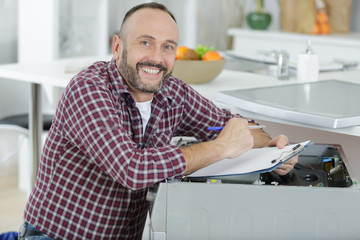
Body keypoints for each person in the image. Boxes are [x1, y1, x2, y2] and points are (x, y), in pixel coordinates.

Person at [19, 2, 298, 240]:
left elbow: (232, 124)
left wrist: (272, 145)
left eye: (167, 47)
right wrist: (221, 147)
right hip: (54, 235)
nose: (156, 57)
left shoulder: (172, 91)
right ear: (117, 47)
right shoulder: (88, 88)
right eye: (145, 42)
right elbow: (131, 169)